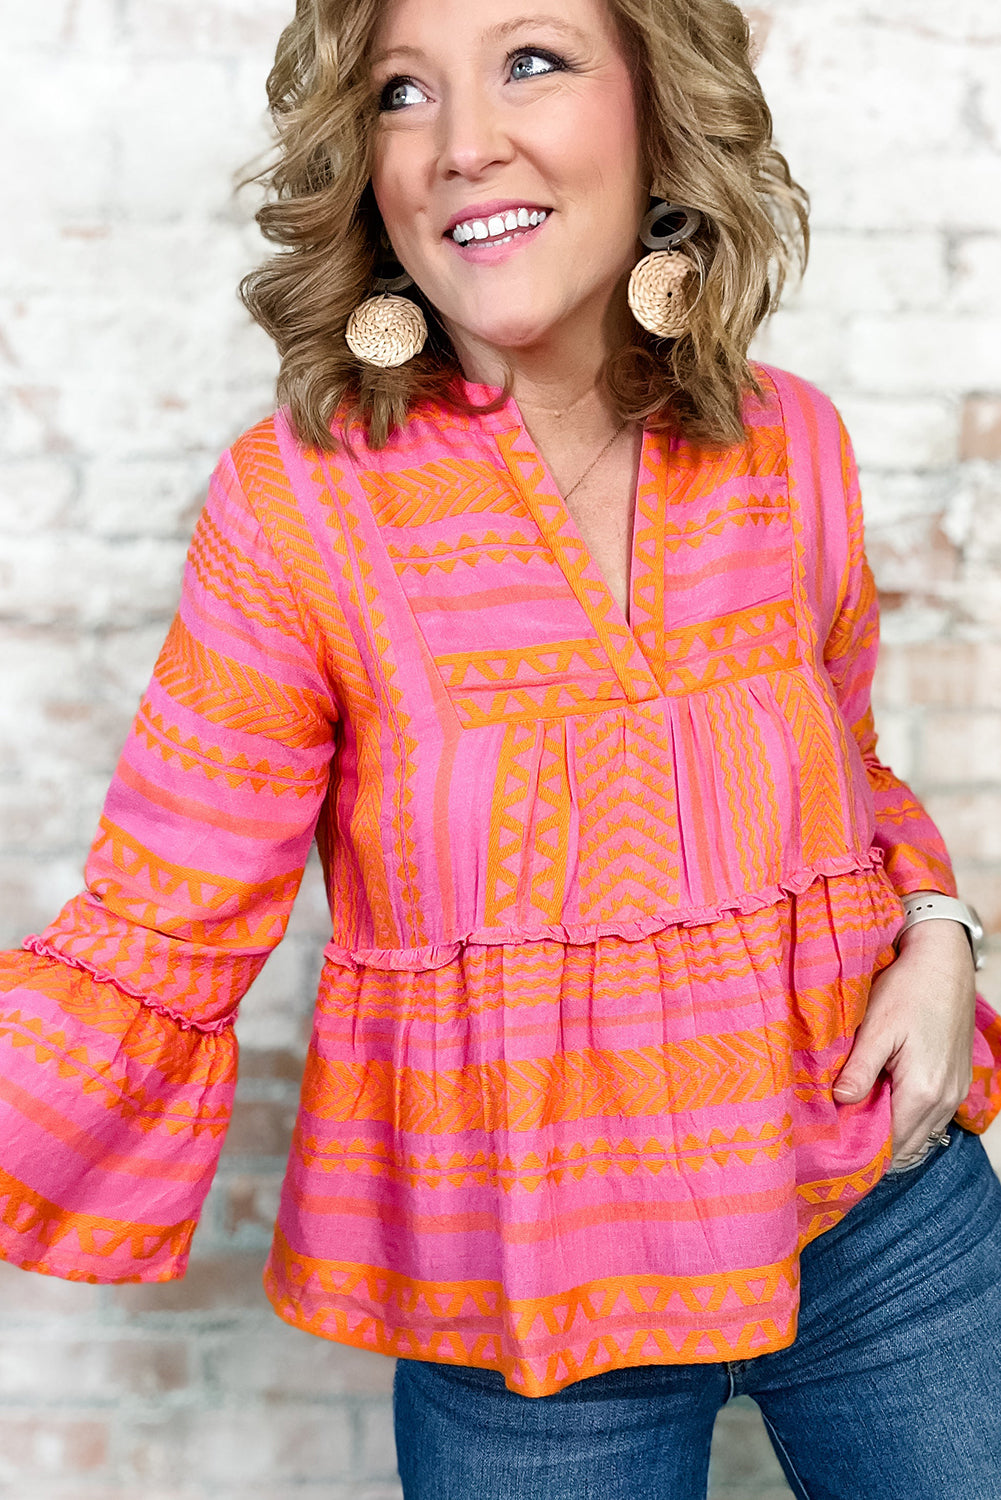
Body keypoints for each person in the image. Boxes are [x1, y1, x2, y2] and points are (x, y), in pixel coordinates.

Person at [2, 0, 1000, 1494]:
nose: (463, 143)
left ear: (657, 105)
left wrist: (939, 929)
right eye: (400, 94)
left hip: (887, 1220)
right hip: (527, 1306)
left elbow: (848, 770)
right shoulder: (298, 507)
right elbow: (160, 923)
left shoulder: (790, 442)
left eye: (531, 60)